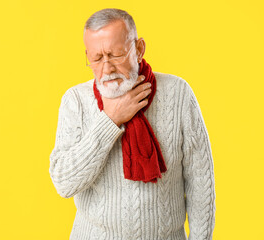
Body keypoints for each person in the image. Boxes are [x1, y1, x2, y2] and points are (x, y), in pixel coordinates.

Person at [49, 8, 216, 240]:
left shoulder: (178, 94)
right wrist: (110, 120)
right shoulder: (75, 101)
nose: (107, 68)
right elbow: (64, 183)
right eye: (96, 59)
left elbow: (201, 182)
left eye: (115, 54)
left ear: (139, 49)